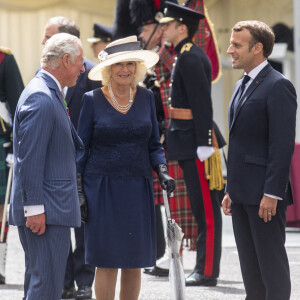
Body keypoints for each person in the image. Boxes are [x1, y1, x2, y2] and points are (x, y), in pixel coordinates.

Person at [77, 35, 175, 300]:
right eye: (119, 65)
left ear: (137, 67)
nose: (125, 69)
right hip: (101, 190)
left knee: (134, 260)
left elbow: (154, 144)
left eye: (130, 64)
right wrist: (79, 191)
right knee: (106, 260)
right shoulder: (91, 99)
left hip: (137, 189)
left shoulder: (145, 97)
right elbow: (81, 149)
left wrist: (162, 170)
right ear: (108, 69)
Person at [222, 20, 297, 300]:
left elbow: (282, 146)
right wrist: (231, 188)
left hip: (265, 195)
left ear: (258, 48)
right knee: (251, 273)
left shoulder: (279, 86)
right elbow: (240, 143)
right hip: (242, 194)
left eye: (236, 45)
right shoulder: (242, 84)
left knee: (272, 271)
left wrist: (272, 193)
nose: (230, 50)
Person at [8, 33, 85, 300]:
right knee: (46, 287)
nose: (82, 68)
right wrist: (34, 208)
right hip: (47, 211)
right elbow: (29, 159)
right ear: (65, 60)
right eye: (79, 62)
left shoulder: (47, 91)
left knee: (42, 283)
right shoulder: (41, 97)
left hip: (50, 209)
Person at [130, 0, 197, 277]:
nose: (142, 37)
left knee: (180, 201)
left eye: (145, 30)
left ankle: (179, 256)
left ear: (157, 28)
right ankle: (172, 254)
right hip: (163, 133)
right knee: (167, 200)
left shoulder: (170, 54)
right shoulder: (159, 53)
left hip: (178, 133)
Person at [159, 2, 222, 286]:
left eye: (168, 25)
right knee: (200, 208)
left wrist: (204, 143)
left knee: (206, 210)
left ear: (182, 27)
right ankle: (203, 268)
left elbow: (202, 104)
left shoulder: (190, 57)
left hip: (197, 143)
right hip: (187, 140)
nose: (163, 29)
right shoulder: (183, 54)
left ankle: (207, 271)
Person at [41, 16, 98, 299]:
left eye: (48, 35)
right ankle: (64, 282)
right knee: (60, 223)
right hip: (58, 164)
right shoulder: (45, 75)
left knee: (85, 224)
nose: (43, 41)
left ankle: (85, 281)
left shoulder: (90, 72)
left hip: (86, 161)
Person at [0, 46, 24, 284]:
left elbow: (19, 105)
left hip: (0, 140)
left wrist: (16, 145)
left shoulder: (4, 60)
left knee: (0, 206)